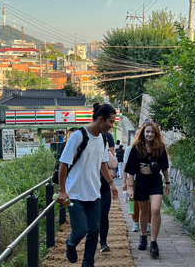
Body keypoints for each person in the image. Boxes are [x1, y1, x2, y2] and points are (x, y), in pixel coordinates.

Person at [56, 103, 119, 267]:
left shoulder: (103, 139)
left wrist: (111, 184)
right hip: (74, 193)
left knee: (93, 231)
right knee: (81, 229)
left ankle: (88, 263)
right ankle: (70, 243)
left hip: (94, 193)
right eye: (110, 122)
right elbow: (63, 163)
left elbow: (103, 163)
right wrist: (62, 191)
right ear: (101, 119)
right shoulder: (78, 136)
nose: (111, 126)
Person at [125, 120, 170, 258]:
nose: (150, 134)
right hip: (141, 181)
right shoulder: (136, 148)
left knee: (155, 209)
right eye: (147, 132)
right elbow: (131, 170)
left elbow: (164, 168)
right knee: (143, 211)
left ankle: (154, 242)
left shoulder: (160, 147)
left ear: (156, 134)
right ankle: (143, 236)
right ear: (143, 133)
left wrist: (167, 182)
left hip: (155, 180)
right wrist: (130, 187)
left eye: (152, 132)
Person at [122, 132, 152, 233]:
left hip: (146, 179)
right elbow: (125, 166)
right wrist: (124, 182)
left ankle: (148, 222)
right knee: (133, 201)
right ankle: (135, 221)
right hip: (132, 179)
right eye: (137, 134)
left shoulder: (150, 147)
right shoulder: (130, 149)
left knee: (149, 202)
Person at [99, 132, 118, 253]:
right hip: (88, 185)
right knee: (91, 215)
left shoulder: (108, 137)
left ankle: (103, 243)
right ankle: (92, 239)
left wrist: (105, 148)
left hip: (104, 183)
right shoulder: (84, 137)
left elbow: (113, 164)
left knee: (104, 213)